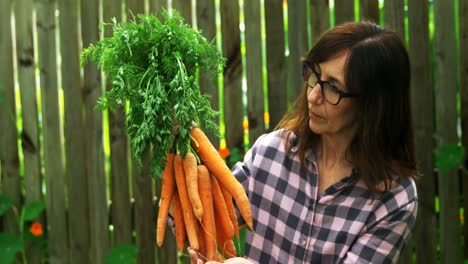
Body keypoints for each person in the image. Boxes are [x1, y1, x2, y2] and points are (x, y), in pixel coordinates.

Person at [190, 21, 418, 264]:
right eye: (315, 76)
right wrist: (178, 156)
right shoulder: (272, 152)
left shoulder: (393, 197)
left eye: (332, 87)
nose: (313, 96)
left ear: (372, 105)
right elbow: (205, 222)